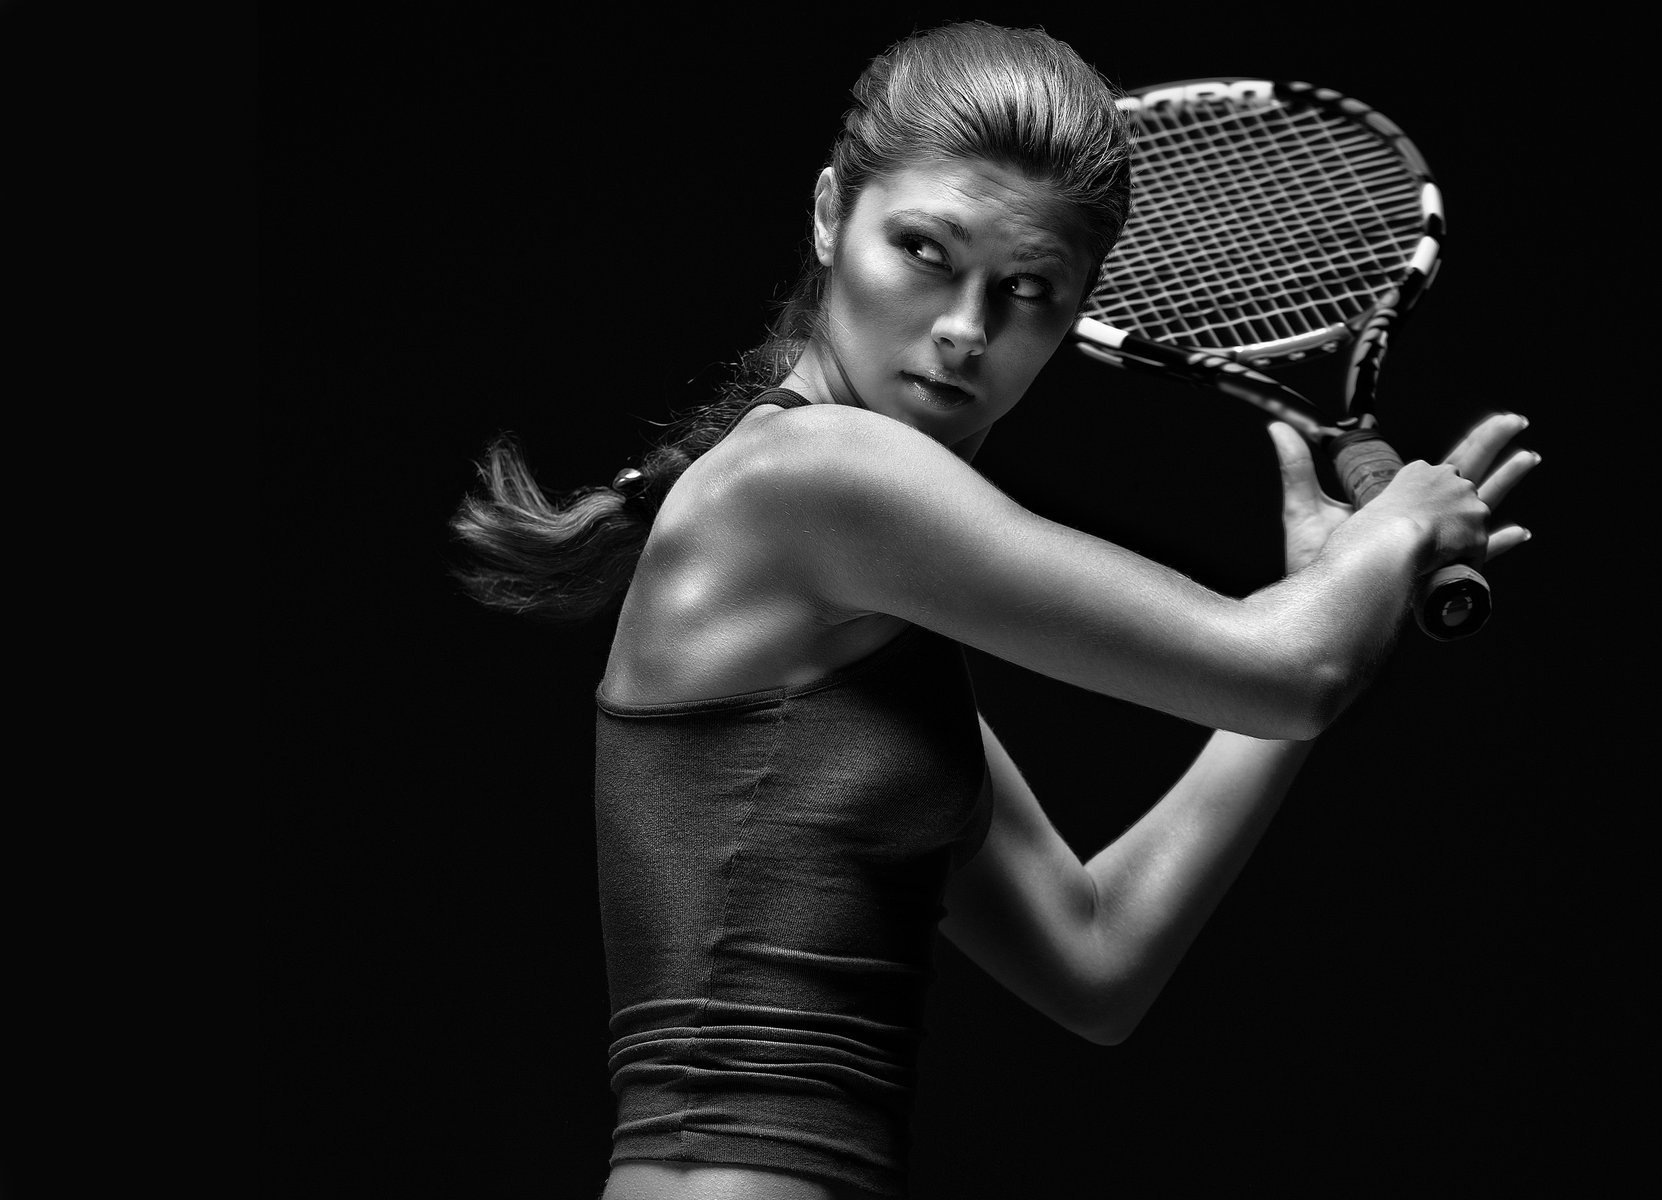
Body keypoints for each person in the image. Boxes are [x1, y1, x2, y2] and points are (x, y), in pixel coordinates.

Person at [450, 20, 1536, 1200]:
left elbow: (1096, 955)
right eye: (923, 250)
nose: (966, 330)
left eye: (1026, 291)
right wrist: (1393, 536)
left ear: (1074, 313)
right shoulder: (818, 479)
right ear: (830, 215)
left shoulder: (859, 610)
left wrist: (1324, 597)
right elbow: (1283, 671)